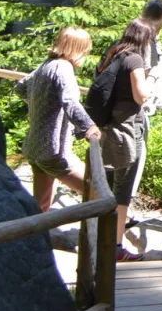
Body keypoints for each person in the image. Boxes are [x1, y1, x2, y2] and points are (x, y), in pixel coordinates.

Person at [16, 27, 102, 213]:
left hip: (35, 147)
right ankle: (121, 222)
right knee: (98, 192)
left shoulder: (47, 64)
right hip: (53, 150)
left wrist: (41, 105)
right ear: (78, 49)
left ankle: (34, 240)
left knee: (41, 206)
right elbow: (70, 101)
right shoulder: (63, 67)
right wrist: (89, 126)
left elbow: (20, 87)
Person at [92, 20, 157, 260]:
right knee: (122, 189)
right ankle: (116, 248)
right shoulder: (135, 59)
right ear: (144, 39)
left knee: (107, 186)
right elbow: (141, 96)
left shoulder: (113, 52)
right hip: (127, 129)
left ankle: (103, 241)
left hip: (108, 126)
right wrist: (152, 83)